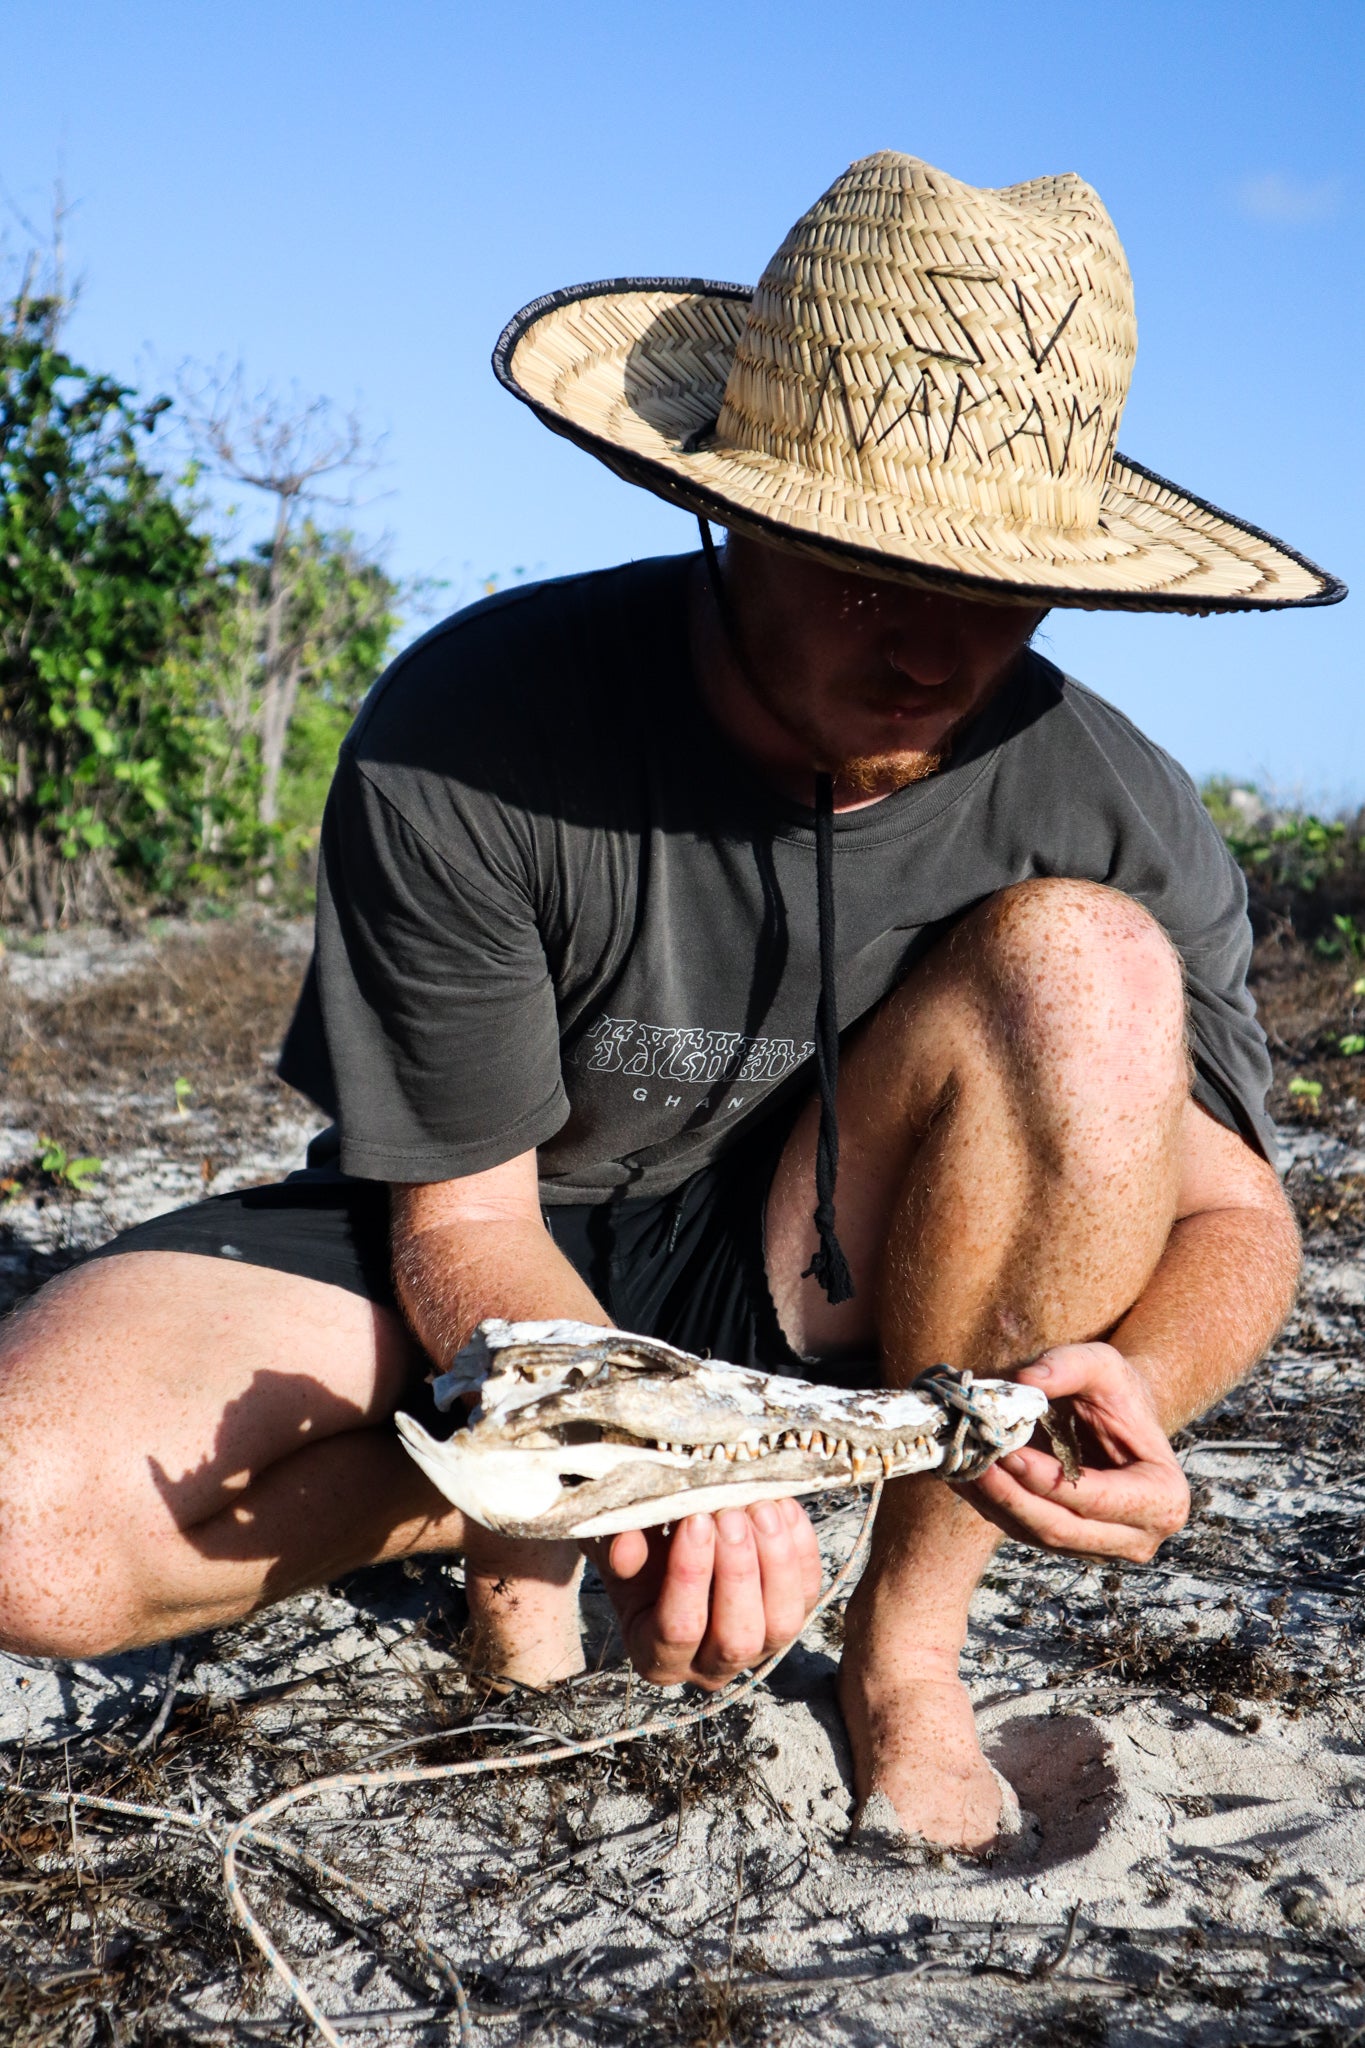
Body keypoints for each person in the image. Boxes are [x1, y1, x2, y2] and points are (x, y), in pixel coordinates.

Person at [0, 152, 1344, 1851]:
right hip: (485, 1235)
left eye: (995, 589)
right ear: (732, 512)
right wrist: (637, 1447)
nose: (934, 650)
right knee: (30, 1521)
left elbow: (1236, 1218)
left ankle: (906, 1660)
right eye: (869, 571)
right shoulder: (475, 725)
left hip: (823, 1264)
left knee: (1086, 963)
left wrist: (1130, 1384)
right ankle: (499, 1521)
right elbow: (462, 1216)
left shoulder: (1108, 801)